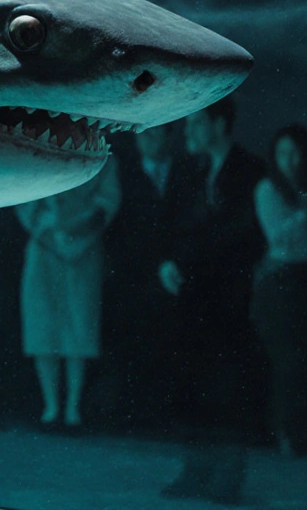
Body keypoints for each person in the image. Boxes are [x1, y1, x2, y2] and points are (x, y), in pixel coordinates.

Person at [158, 97, 267, 504]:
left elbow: (242, 237)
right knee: (192, 384)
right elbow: (172, 227)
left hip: (231, 304)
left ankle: (228, 476)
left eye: (197, 123)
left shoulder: (252, 171)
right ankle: (195, 470)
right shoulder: (190, 172)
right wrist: (168, 262)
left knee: (228, 389)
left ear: (220, 124)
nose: (189, 132)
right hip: (192, 302)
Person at [100, 123, 202, 430]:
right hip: (133, 279)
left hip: (172, 276)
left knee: (171, 346)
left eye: (155, 133)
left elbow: (190, 224)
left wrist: (173, 260)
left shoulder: (186, 174)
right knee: (131, 346)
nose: (146, 140)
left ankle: (167, 413)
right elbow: (120, 231)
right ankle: (132, 414)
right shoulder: (125, 174)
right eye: (143, 134)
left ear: (171, 137)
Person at [251, 124, 307, 457]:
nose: (289, 160)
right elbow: (278, 236)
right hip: (283, 281)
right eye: (283, 153)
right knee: (288, 358)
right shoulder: (267, 190)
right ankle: (286, 431)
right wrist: (306, 211)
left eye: (295, 153)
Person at [16, 156, 120, 429]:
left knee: (79, 327)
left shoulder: (103, 158)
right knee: (43, 328)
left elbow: (107, 200)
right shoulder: (39, 152)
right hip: (44, 245)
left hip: (84, 247)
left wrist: (79, 229)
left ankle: (73, 406)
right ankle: (50, 406)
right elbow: (22, 195)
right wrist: (48, 229)